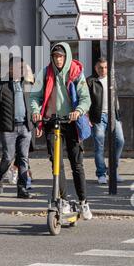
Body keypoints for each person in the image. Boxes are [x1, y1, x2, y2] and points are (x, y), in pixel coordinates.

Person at [30, 42, 93, 220]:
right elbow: (35, 96)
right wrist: (35, 112)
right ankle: (64, 200)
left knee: (77, 163)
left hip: (71, 122)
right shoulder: (45, 73)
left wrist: (78, 111)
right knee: (56, 163)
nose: (58, 59)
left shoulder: (75, 73)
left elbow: (85, 98)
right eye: (55, 56)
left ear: (66, 57)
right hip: (52, 121)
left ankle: (83, 201)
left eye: (61, 56)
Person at [0, 57, 34, 199]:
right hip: (8, 128)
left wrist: (37, 124)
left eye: (22, 68)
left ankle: (22, 189)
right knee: (8, 157)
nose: (21, 71)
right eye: (18, 68)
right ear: (10, 69)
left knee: (23, 159)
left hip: (26, 127)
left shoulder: (27, 84)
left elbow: (34, 103)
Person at [87, 57, 125, 185]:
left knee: (120, 141)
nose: (103, 70)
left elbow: (116, 98)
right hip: (98, 117)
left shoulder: (112, 80)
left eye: (105, 67)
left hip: (113, 115)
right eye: (100, 68)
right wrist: (87, 117)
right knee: (100, 145)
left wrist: (118, 115)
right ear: (96, 68)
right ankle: (101, 173)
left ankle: (113, 171)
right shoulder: (90, 81)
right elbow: (86, 101)